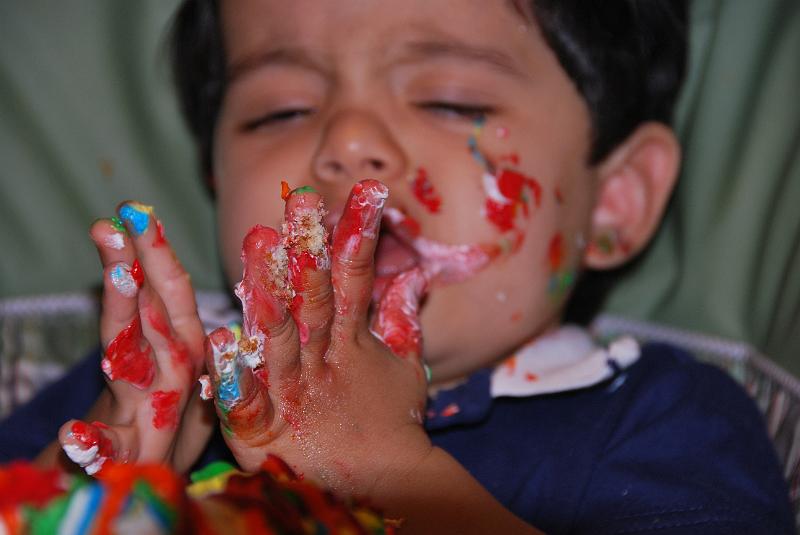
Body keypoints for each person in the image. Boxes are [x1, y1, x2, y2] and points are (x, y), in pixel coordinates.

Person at [1, 0, 793, 532]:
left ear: (613, 201)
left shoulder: (664, 419)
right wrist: (86, 490)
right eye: (280, 110)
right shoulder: (155, 386)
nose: (347, 140)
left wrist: (387, 472)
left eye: (449, 99)